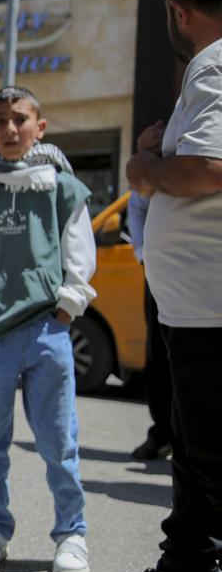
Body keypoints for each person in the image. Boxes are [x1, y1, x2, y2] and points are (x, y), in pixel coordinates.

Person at [103, 0, 222, 572]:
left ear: (179, 12)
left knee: (212, 461)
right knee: (193, 455)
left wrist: (143, 170)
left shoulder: (215, 64)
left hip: (210, 310)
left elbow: (208, 170)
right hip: (195, 307)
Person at [0, 86, 96, 572]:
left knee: (58, 442)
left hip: (46, 332)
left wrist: (65, 309)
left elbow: (78, 251)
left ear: (40, 126)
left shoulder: (60, 185)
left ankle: (72, 534)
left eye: (20, 118)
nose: (10, 128)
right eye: (0, 120)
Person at [125, 123, 173, 462]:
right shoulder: (156, 153)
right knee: (160, 355)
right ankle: (164, 433)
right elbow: (137, 207)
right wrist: (145, 254)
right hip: (159, 273)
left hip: (204, 273)